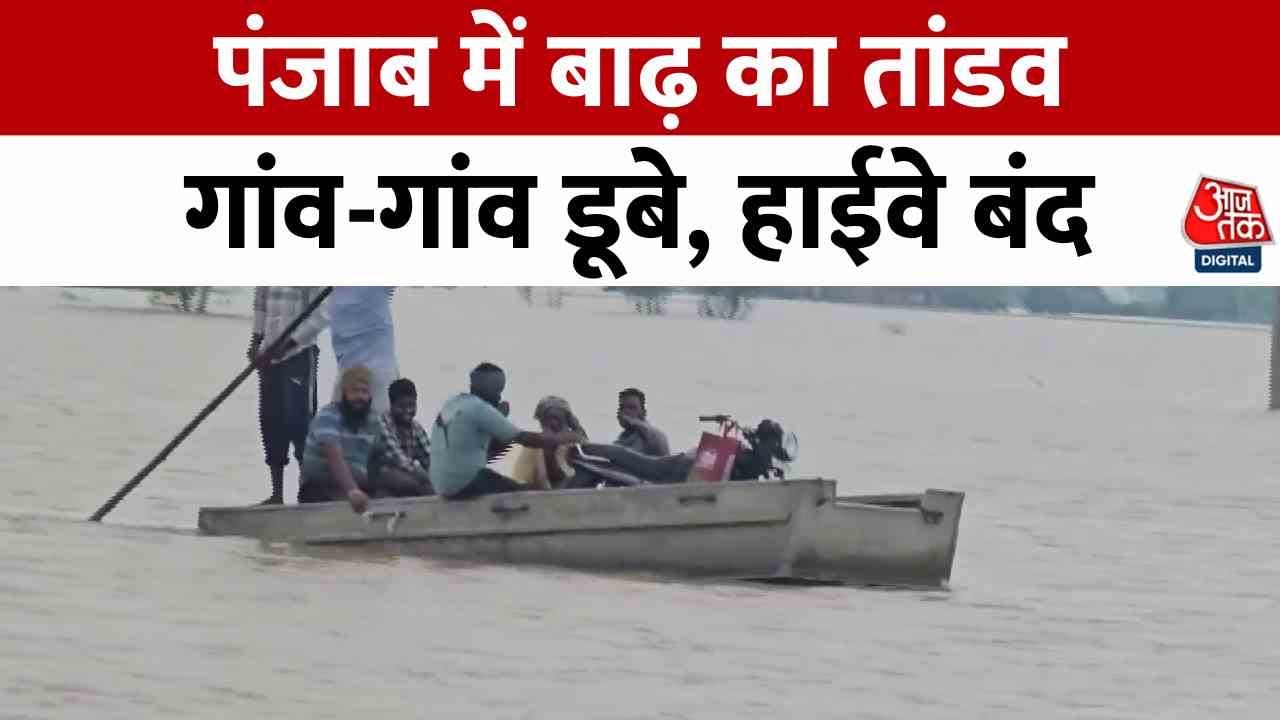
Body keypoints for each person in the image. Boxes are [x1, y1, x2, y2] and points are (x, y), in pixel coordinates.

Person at [429, 363, 584, 500]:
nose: (500, 396)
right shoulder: (480, 408)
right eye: (498, 390)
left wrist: (500, 416)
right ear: (487, 388)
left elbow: (495, 446)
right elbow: (526, 439)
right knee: (525, 493)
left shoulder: (454, 403)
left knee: (503, 457)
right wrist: (572, 436)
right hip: (465, 483)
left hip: (442, 485)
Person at [248, 286, 330, 505]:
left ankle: (308, 493)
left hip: (299, 354)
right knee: (271, 421)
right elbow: (260, 305)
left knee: (299, 422)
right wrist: (255, 343)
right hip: (268, 356)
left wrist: (290, 344)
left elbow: (322, 316)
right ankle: (277, 495)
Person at [297, 366, 382, 513]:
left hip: (358, 486)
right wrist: (352, 491)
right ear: (344, 393)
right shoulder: (328, 415)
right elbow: (334, 456)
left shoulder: (373, 421)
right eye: (355, 391)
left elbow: (378, 458)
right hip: (320, 488)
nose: (360, 397)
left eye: (364, 392)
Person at [328, 287, 399, 415]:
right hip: (347, 372)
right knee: (331, 424)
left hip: (378, 374)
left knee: (382, 428)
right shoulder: (332, 292)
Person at [369, 378, 433, 496]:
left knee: (431, 486)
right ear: (391, 405)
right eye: (402, 406)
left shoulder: (416, 427)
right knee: (412, 484)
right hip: (381, 474)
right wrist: (424, 476)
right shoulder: (381, 422)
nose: (408, 410)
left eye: (412, 405)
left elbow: (430, 458)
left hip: (408, 475)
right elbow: (398, 458)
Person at [511, 396, 588, 490]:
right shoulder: (534, 448)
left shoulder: (577, 447)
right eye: (547, 420)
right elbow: (522, 481)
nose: (553, 424)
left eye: (557, 419)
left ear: (568, 422)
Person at [614, 387, 670, 456]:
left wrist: (634, 422)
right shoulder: (621, 440)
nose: (625, 411)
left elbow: (659, 438)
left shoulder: (653, 436)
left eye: (632, 408)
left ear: (643, 412)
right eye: (622, 407)